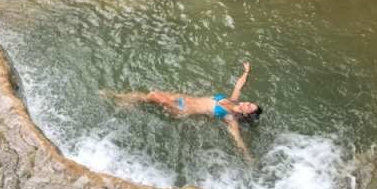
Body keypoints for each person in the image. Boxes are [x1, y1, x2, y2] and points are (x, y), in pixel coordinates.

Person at [108, 62, 262, 159]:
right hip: (181, 98)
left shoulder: (230, 118)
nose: (247, 104)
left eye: (249, 107)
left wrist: (248, 157)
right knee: (146, 96)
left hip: (182, 109)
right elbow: (239, 85)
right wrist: (247, 71)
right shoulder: (233, 99)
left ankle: (119, 100)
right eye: (250, 103)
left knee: (154, 95)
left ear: (245, 114)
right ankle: (119, 98)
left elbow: (237, 139)